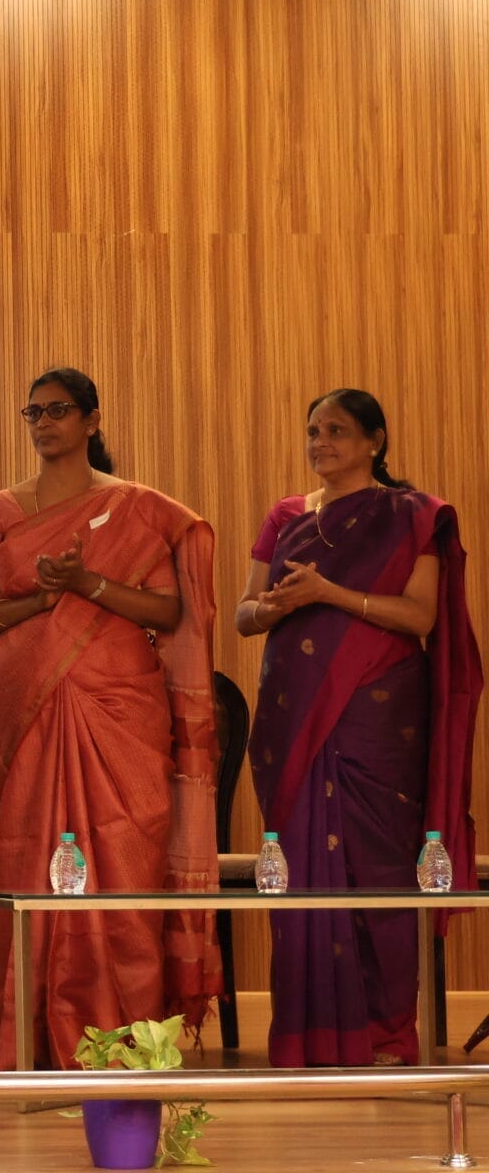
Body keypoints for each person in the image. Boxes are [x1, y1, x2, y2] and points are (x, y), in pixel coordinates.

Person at [0, 367, 222, 1069]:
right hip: (27, 709)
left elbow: (167, 610)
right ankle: (34, 1036)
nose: (44, 424)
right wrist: (39, 602)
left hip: (121, 707)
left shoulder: (136, 509)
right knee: (29, 863)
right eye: (33, 413)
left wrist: (86, 583)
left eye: (59, 411)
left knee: (125, 867)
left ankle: (129, 1039)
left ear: (92, 421)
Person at [234, 388, 482, 1067]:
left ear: (375, 440)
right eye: (313, 431)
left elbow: (420, 616)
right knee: (302, 868)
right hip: (293, 717)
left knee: (382, 864)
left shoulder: (413, 516)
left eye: (337, 431)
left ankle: (386, 1033)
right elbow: (245, 614)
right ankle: (311, 1035)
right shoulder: (286, 515)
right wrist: (275, 607)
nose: (320, 443)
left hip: (379, 716)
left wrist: (328, 594)